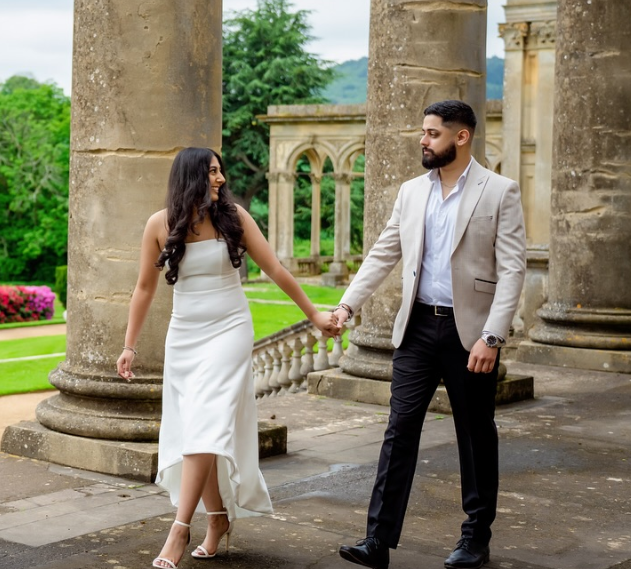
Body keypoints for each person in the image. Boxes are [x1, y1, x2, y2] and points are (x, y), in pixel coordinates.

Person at [115, 147, 340, 569]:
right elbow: (144, 288)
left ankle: (179, 529)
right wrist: (129, 345)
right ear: (192, 177)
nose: (220, 179)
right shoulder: (158, 224)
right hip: (184, 336)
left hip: (229, 331)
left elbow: (275, 268)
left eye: (221, 171)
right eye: (213, 172)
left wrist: (314, 315)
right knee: (197, 428)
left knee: (206, 423)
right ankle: (217, 519)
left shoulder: (233, 216)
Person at [333, 100, 526, 569]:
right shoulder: (411, 192)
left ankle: (474, 539)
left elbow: (513, 268)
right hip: (417, 327)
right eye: (423, 132)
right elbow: (383, 253)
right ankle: (377, 540)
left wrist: (493, 336)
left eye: (433, 133)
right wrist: (346, 305)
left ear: (461, 137)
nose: (424, 140)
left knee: (476, 435)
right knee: (399, 432)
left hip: (471, 335)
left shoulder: (500, 191)